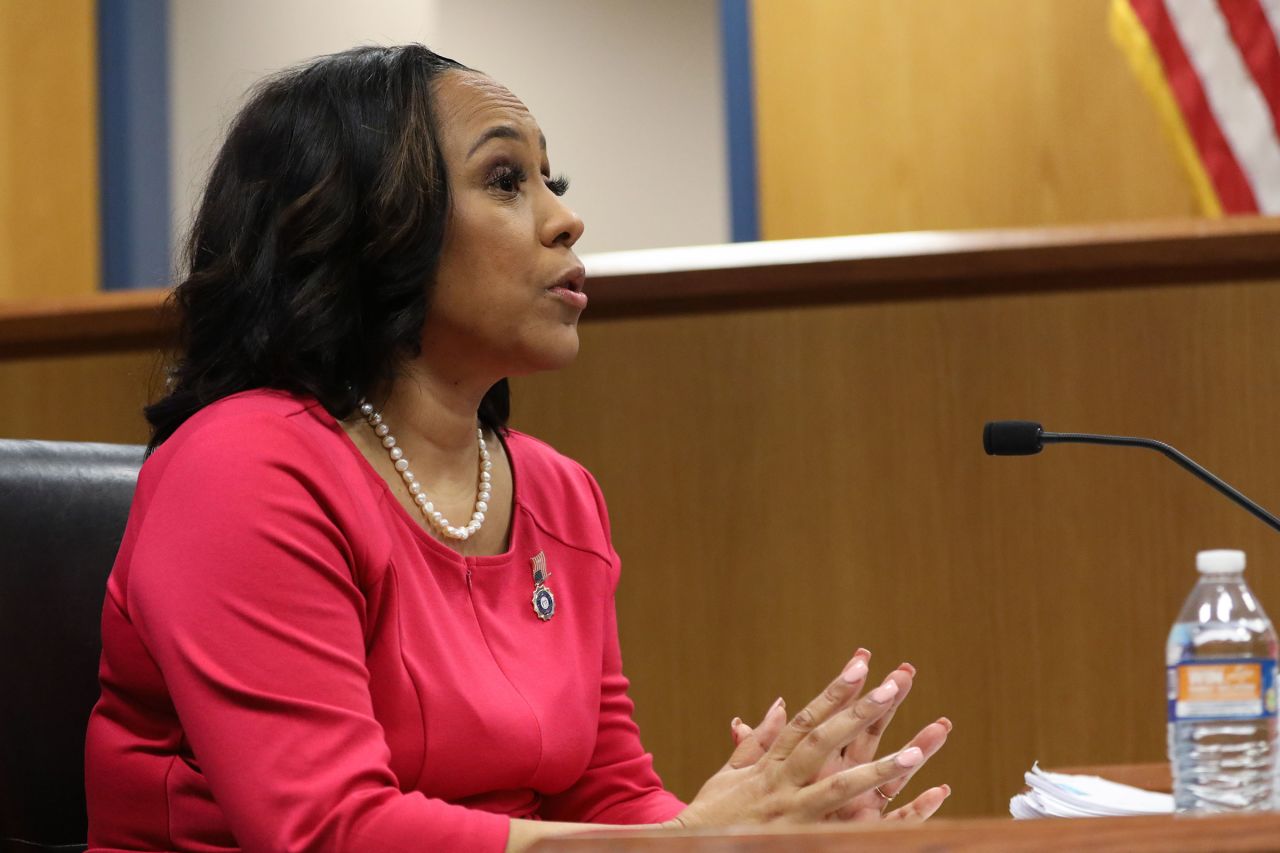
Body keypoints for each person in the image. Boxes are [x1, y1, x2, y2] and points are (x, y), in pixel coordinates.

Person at [84, 45, 951, 852]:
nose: (566, 219)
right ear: (367, 227)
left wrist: (776, 827)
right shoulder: (241, 467)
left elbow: (608, 798)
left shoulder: (557, 491)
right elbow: (324, 828)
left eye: (551, 179)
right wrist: (684, 843)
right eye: (506, 180)